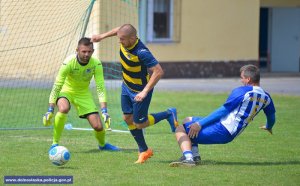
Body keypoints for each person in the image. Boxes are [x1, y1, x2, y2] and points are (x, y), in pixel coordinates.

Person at [91, 24, 178, 163]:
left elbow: (159, 71)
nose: (120, 41)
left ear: (132, 38)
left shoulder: (142, 52)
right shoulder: (124, 38)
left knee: (140, 124)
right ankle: (144, 150)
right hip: (126, 86)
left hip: (140, 90)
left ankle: (168, 114)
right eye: (119, 38)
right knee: (127, 119)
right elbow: (119, 29)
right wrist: (102, 36)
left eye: (123, 39)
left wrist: (144, 92)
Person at [170, 64, 276, 167]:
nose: (241, 80)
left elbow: (223, 111)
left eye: (242, 78)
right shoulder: (266, 97)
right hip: (228, 129)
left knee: (180, 129)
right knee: (187, 120)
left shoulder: (242, 91)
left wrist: (199, 124)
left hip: (223, 129)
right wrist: (268, 126)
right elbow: (271, 117)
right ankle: (195, 156)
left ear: (248, 79)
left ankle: (188, 159)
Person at [43, 37, 119, 151]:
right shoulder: (68, 62)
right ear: (77, 50)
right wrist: (50, 109)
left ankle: (103, 145)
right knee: (63, 108)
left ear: (92, 51)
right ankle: (54, 143)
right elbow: (57, 85)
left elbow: (100, 87)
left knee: (98, 126)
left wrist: (104, 111)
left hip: (83, 93)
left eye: (89, 51)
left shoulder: (96, 64)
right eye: (83, 51)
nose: (86, 54)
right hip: (66, 90)